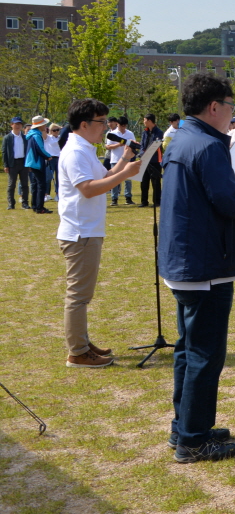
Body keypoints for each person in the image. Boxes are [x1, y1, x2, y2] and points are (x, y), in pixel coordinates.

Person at [160, 73, 235, 463]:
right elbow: (228, 202)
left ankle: (186, 426)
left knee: (187, 349)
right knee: (204, 354)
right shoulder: (209, 146)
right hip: (205, 264)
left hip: (185, 260)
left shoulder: (182, 138)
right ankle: (193, 439)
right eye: (230, 107)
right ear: (214, 107)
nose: (232, 115)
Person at [56, 99, 141, 368]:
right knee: (78, 296)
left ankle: (81, 342)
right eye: (101, 122)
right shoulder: (75, 152)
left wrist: (125, 162)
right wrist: (124, 173)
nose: (107, 127)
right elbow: (89, 189)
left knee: (82, 295)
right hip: (81, 232)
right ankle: (78, 352)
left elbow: (103, 177)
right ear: (84, 124)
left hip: (87, 229)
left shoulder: (84, 148)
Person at [24, 115, 52, 214]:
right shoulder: (36, 135)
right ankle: (40, 207)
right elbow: (40, 149)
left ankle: (35, 205)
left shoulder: (32, 134)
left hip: (32, 162)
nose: (45, 126)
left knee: (35, 184)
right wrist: (48, 156)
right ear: (39, 126)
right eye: (44, 124)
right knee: (41, 184)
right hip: (37, 162)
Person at [106, 116, 136, 205]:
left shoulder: (130, 133)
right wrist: (119, 144)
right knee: (114, 179)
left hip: (127, 159)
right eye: (121, 126)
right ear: (117, 124)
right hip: (115, 159)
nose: (123, 128)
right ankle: (114, 199)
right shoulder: (113, 133)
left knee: (128, 179)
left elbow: (134, 144)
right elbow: (108, 146)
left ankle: (128, 197)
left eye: (124, 126)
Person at [138, 114, 165, 207]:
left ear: (149, 121)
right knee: (144, 181)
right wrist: (142, 153)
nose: (143, 122)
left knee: (156, 182)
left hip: (155, 160)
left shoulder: (159, 132)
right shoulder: (144, 132)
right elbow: (142, 145)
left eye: (144, 120)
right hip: (144, 160)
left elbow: (155, 145)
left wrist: (147, 153)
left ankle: (157, 201)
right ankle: (144, 201)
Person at [4, 116, 29, 209]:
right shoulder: (8, 138)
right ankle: (11, 204)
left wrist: (28, 163)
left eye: (19, 124)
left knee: (25, 184)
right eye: (16, 124)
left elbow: (27, 151)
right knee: (11, 185)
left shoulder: (24, 137)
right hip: (12, 163)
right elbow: (4, 152)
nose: (18, 126)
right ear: (12, 125)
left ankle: (25, 203)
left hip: (23, 162)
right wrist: (6, 165)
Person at [44, 122, 61, 202]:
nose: (56, 131)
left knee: (59, 177)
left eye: (57, 130)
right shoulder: (48, 138)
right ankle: (47, 194)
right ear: (50, 130)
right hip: (50, 159)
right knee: (49, 177)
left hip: (59, 158)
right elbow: (43, 132)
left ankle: (58, 194)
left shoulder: (60, 138)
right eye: (54, 130)